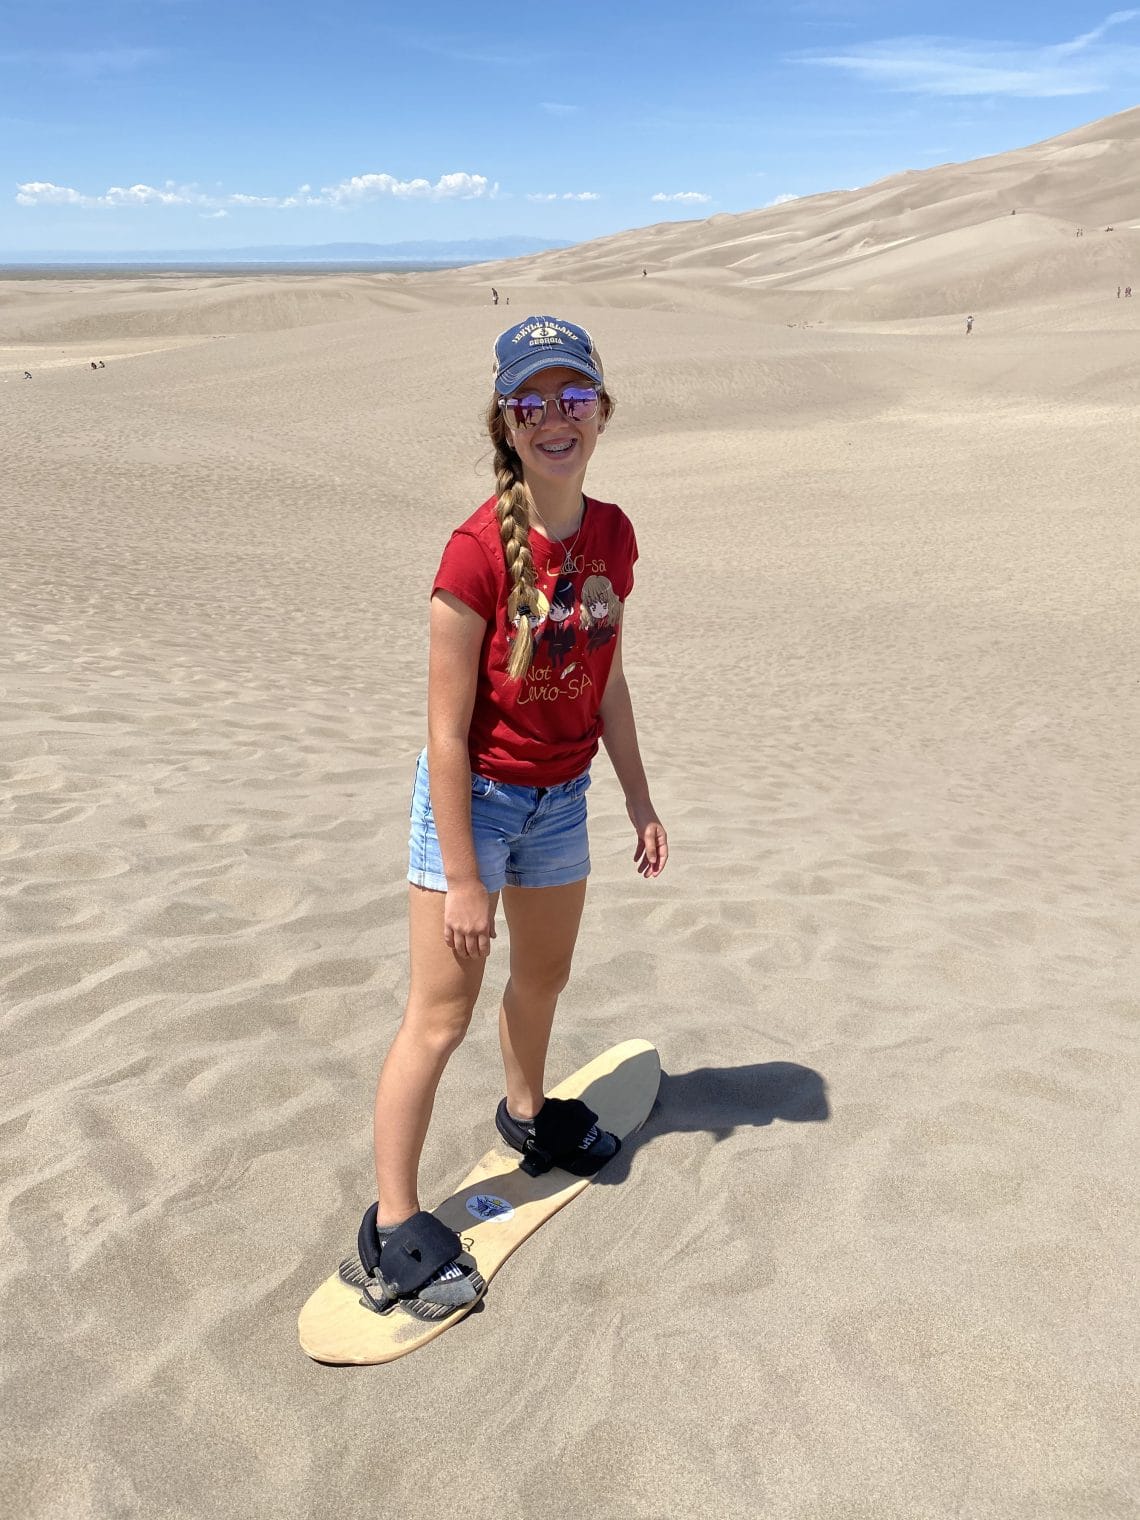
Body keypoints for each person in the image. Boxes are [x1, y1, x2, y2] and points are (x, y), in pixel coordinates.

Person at [355, 315, 669, 1319]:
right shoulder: (474, 553)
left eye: (573, 396)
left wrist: (639, 795)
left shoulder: (613, 535)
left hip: (563, 800)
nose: (555, 417)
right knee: (438, 1018)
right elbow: (445, 733)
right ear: (507, 420)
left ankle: (528, 1111)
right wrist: (464, 873)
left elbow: (609, 682)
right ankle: (390, 1223)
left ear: (603, 411)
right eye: (532, 401)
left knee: (543, 978)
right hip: (476, 804)